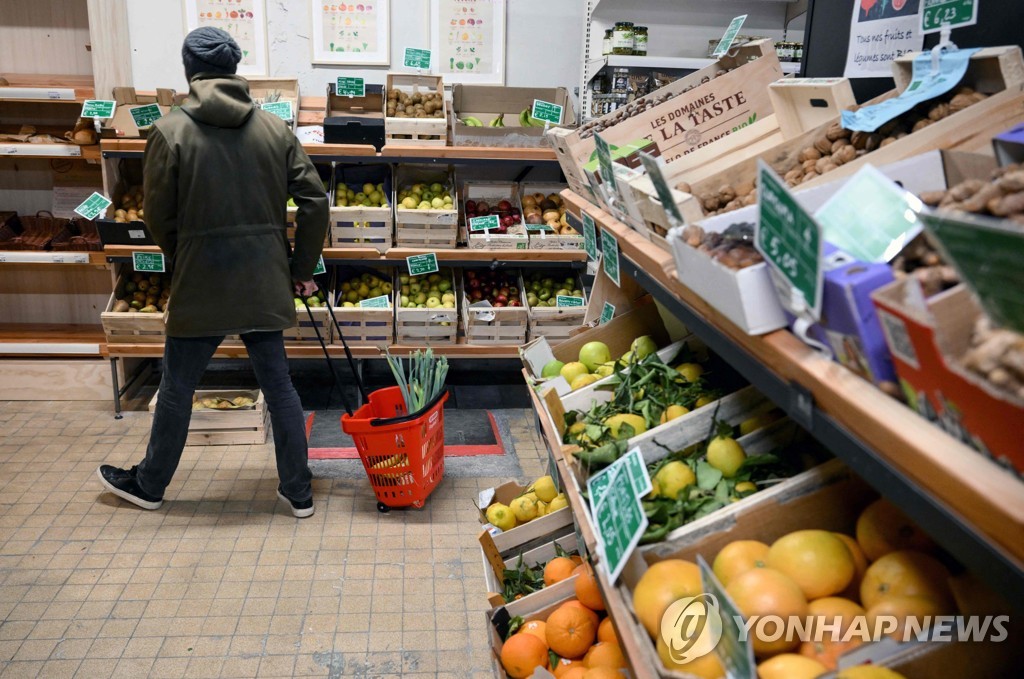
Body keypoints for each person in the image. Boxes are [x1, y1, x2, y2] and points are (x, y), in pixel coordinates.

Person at [97, 27, 329, 518]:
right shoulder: (273, 129)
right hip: (264, 275)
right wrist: (299, 266)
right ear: (235, 68)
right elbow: (314, 200)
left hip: (201, 277)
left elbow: (159, 216)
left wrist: (190, 252)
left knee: (179, 386)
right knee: (279, 384)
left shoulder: (169, 131)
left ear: (189, 71)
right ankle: (298, 490)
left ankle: (151, 484)